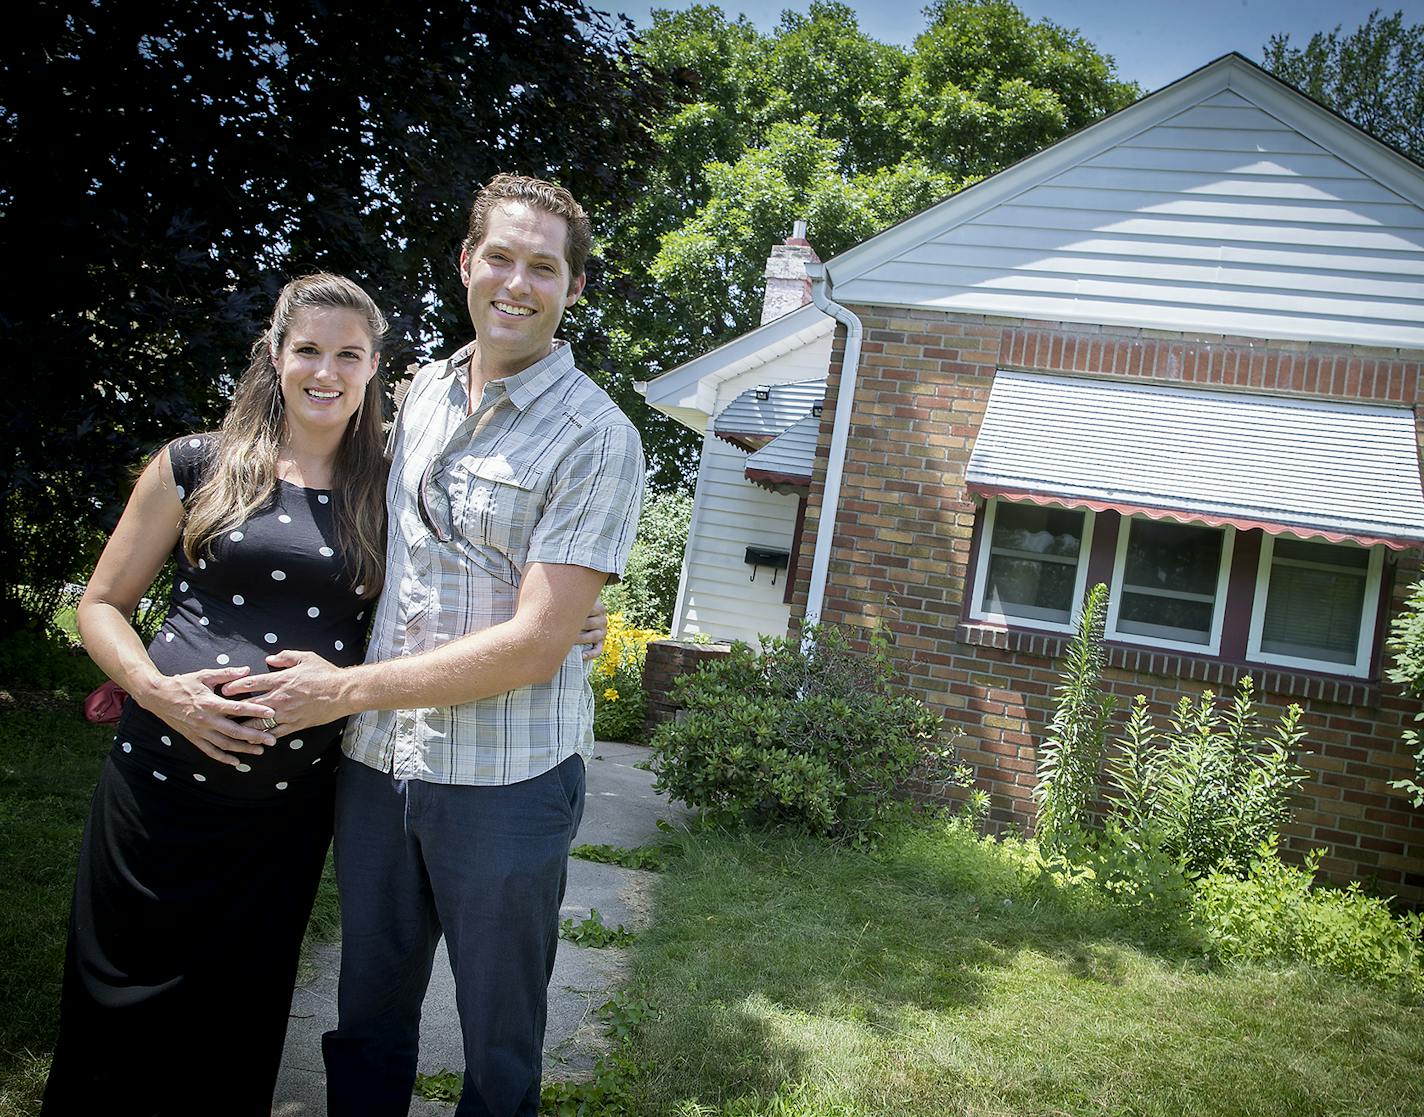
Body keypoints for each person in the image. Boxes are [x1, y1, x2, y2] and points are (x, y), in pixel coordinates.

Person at [39, 270, 610, 1115]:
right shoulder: (196, 463)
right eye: (307, 349)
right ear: (274, 355)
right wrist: (159, 692)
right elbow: (100, 606)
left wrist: (568, 622)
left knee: (236, 1027)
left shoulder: (388, 490)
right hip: (157, 799)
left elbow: (460, 581)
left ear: (375, 367)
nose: (325, 371)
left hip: (284, 819)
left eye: (349, 354)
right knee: (111, 1021)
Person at [224, 174, 646, 1116]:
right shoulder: (413, 397)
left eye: (544, 266)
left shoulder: (598, 439)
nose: (516, 282)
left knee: (498, 1047)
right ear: (466, 263)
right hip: (379, 770)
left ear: (573, 287)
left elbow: (537, 646)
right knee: (366, 1023)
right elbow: (337, 531)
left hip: (506, 781)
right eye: (499, 256)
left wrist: (347, 690)